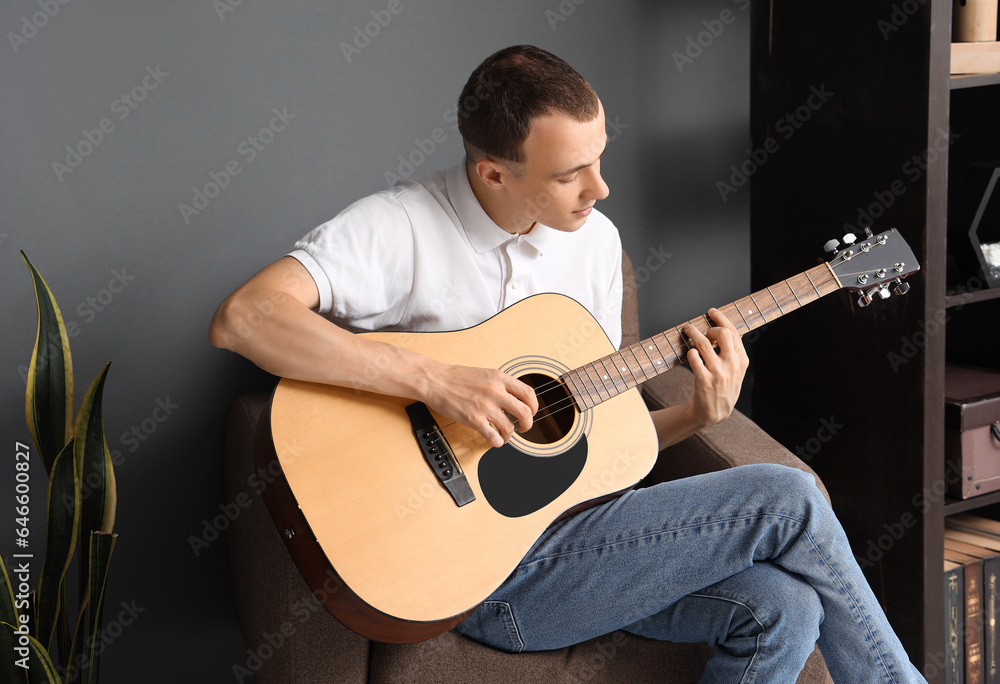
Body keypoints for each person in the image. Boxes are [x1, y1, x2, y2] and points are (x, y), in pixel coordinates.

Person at [209, 45, 927, 683]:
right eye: (571, 173)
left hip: (582, 549)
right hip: (466, 573)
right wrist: (433, 379)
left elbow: (590, 452)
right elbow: (244, 318)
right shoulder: (397, 229)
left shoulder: (591, 243)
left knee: (783, 607)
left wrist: (694, 416)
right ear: (492, 172)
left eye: (601, 159)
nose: (600, 189)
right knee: (789, 495)